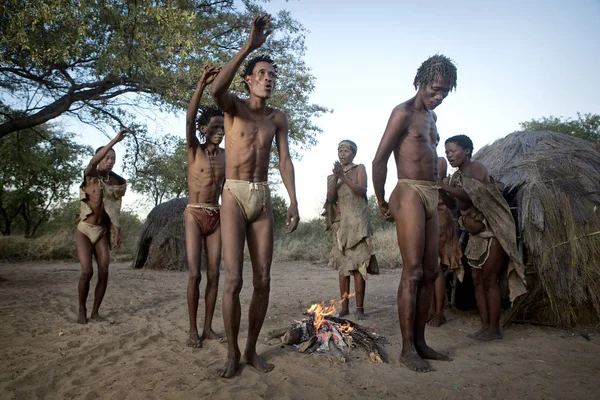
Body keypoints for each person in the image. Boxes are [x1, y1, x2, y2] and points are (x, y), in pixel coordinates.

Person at [209, 14, 300, 378]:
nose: (267, 79)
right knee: (233, 280)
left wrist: (293, 199)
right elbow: (216, 90)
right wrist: (250, 46)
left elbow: (285, 159)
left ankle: (249, 350)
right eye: (261, 73)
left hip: (263, 197)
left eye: (272, 75)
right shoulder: (234, 108)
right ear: (248, 80)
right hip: (233, 193)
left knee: (263, 280)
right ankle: (231, 353)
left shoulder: (278, 117)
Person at [372, 55, 456, 372]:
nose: (439, 97)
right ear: (421, 82)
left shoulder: (432, 119)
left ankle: (421, 342)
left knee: (432, 272)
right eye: (435, 90)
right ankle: (407, 348)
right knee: (414, 270)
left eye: (445, 93)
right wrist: (381, 200)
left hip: (430, 194)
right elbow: (379, 159)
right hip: (407, 190)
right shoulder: (402, 113)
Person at [441, 134, 526, 341]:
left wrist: (444, 187)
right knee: (478, 281)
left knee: (490, 280)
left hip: (493, 232)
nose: (449, 156)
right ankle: (485, 326)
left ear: (467, 151)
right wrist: (442, 190)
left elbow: (474, 195)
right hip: (476, 235)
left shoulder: (476, 168)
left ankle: (494, 329)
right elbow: (454, 205)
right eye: (446, 153)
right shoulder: (457, 177)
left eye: (452, 151)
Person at [184, 64, 225, 348]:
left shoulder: (226, 156)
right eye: (214, 127)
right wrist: (201, 83)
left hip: (217, 215)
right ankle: (192, 329)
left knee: (214, 274)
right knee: (195, 274)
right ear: (203, 129)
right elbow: (188, 119)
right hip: (194, 213)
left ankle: (209, 327)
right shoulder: (194, 150)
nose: (220, 132)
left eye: (223, 127)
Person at [76, 128, 128, 324]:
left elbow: (113, 209)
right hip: (84, 229)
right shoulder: (91, 175)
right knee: (87, 271)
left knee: (104, 270)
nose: (110, 161)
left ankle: (96, 312)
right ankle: (82, 309)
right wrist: (115, 140)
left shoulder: (115, 181)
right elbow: (92, 163)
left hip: (102, 231)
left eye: (113, 158)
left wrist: (117, 231)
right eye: (106, 157)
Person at [325, 140, 378, 320]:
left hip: (358, 224)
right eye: (339, 150)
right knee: (343, 268)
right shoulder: (333, 176)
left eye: (346, 150)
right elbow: (330, 198)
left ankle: (360, 309)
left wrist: (344, 177)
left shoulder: (359, 169)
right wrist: (337, 177)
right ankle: (345, 307)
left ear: (353, 153)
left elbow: (362, 191)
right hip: (342, 225)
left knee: (358, 267)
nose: (342, 153)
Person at [429, 135, 463, 327]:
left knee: (437, 266)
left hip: (439, 215)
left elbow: (436, 179)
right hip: (427, 216)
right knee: (430, 268)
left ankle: (439, 312)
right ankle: (432, 309)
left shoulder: (438, 161)